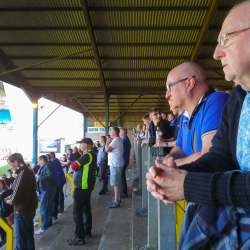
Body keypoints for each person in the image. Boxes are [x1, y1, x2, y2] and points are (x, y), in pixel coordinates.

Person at [146, 1, 250, 248]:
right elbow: (220, 157)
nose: (216, 53)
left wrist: (187, 183)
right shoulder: (239, 96)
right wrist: (167, 172)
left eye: (226, 39)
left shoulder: (217, 100)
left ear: (190, 83)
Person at [162, 62, 229, 166]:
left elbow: (208, 158)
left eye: (169, 87)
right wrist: (167, 160)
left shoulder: (216, 100)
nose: (167, 95)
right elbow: (179, 149)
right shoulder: (185, 115)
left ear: (189, 83)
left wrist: (172, 164)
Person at [66, 138, 97, 245]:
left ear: (86, 145)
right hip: (87, 186)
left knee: (76, 211)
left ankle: (79, 237)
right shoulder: (92, 154)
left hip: (82, 187)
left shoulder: (87, 155)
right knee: (86, 209)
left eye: (81, 144)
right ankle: (87, 231)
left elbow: (73, 165)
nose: (80, 146)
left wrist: (75, 164)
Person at [5, 153, 36, 250]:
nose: (11, 167)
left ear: (16, 162)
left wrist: (7, 199)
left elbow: (15, 195)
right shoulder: (29, 170)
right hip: (30, 208)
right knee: (28, 237)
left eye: (10, 164)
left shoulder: (21, 173)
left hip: (22, 211)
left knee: (20, 240)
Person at [35, 155, 56, 235]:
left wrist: (39, 177)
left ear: (43, 160)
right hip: (47, 190)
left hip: (47, 190)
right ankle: (48, 223)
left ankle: (43, 227)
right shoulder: (45, 166)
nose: (38, 163)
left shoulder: (47, 166)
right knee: (48, 207)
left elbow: (50, 175)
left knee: (43, 209)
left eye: (39, 161)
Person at [106, 127, 124, 208]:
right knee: (117, 182)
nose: (110, 132)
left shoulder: (116, 140)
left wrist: (107, 142)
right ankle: (118, 198)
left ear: (114, 132)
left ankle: (116, 202)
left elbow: (107, 150)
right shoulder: (117, 140)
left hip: (115, 164)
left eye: (111, 131)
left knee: (115, 183)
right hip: (117, 163)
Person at [0, 178, 13, 248]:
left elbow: (5, 208)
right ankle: (3, 238)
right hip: (5, 211)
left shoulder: (5, 192)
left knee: (1, 218)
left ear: (3, 185)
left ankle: (4, 239)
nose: (0, 185)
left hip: (7, 212)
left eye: (1, 184)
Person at [119, 128, 131, 198]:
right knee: (122, 176)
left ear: (123, 133)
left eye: (120, 132)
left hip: (124, 160)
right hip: (125, 160)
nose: (119, 134)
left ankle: (124, 192)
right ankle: (123, 190)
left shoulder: (124, 140)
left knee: (122, 176)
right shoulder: (125, 139)